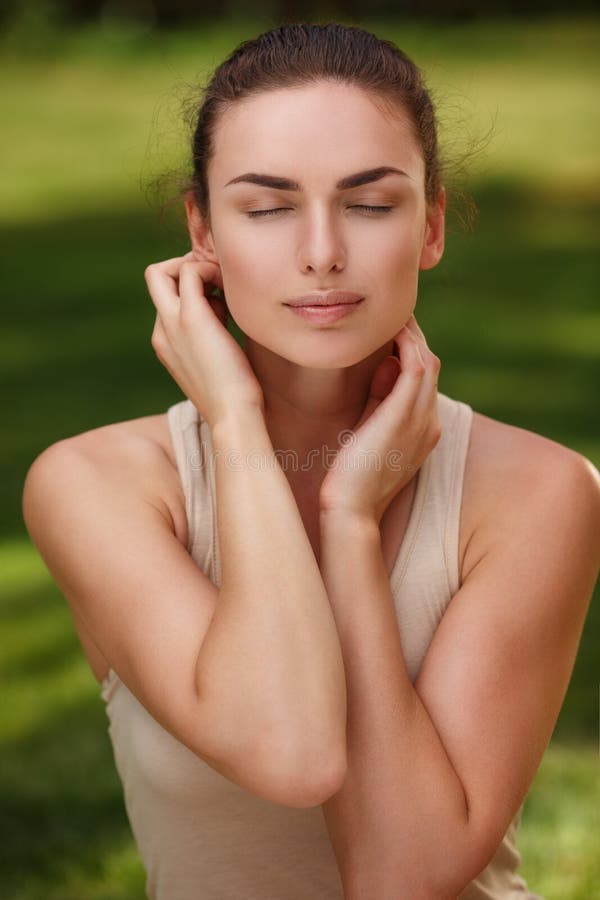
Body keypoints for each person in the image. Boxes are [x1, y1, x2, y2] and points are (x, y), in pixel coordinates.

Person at [22, 21, 599, 900]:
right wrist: (236, 426)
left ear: (433, 225)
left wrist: (349, 523)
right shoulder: (96, 485)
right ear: (202, 231)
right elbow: (290, 750)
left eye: (371, 204)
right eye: (268, 207)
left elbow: (404, 874)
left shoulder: (541, 492)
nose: (323, 250)